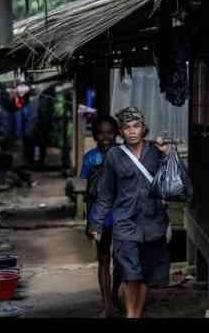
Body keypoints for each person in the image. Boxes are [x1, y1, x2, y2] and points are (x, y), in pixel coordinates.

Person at [89, 107, 171, 319]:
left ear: (144, 129)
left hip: (152, 222)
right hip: (125, 223)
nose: (132, 131)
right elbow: (105, 193)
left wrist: (168, 155)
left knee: (143, 275)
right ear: (121, 132)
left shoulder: (155, 152)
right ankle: (131, 314)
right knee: (129, 273)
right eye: (127, 127)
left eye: (136, 126)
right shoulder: (114, 156)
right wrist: (95, 224)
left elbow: (174, 182)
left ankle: (136, 312)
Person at [80, 115, 121, 318]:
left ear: (116, 134)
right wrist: (89, 221)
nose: (105, 137)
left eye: (110, 132)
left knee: (121, 259)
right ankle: (107, 304)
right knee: (104, 259)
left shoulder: (124, 155)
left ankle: (114, 295)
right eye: (101, 133)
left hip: (122, 213)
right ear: (95, 135)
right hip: (100, 215)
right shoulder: (90, 158)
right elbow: (88, 192)